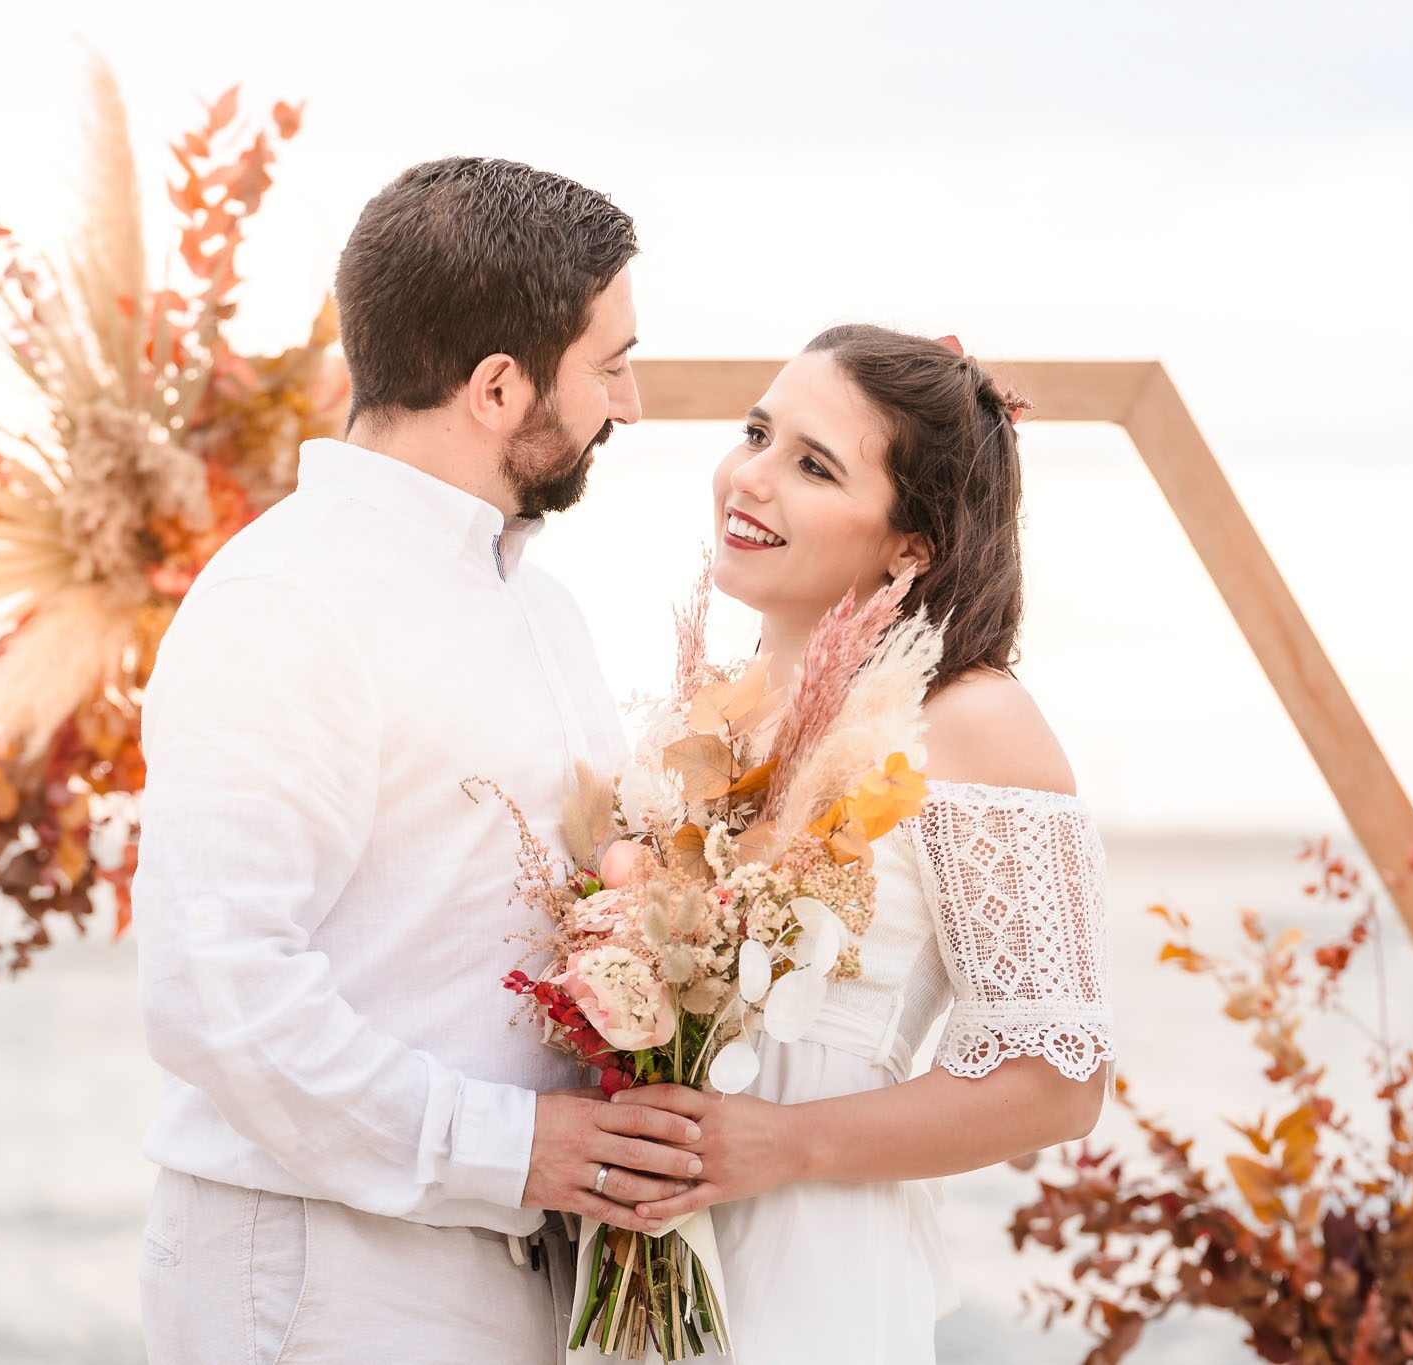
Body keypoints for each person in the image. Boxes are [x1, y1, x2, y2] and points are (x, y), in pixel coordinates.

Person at [132, 157, 704, 1365]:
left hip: (511, 1268)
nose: (632, 404)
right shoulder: (288, 601)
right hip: (326, 1281)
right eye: (609, 365)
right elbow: (215, 990)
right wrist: (515, 1151)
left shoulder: (542, 611)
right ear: (498, 387)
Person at [614, 324, 1115, 1363]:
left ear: (910, 545)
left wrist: (786, 1147)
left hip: (813, 1259)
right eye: (756, 434)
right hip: (642, 1258)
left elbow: (1057, 1083)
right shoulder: (703, 713)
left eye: (811, 464)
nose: (749, 478)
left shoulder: (970, 719)